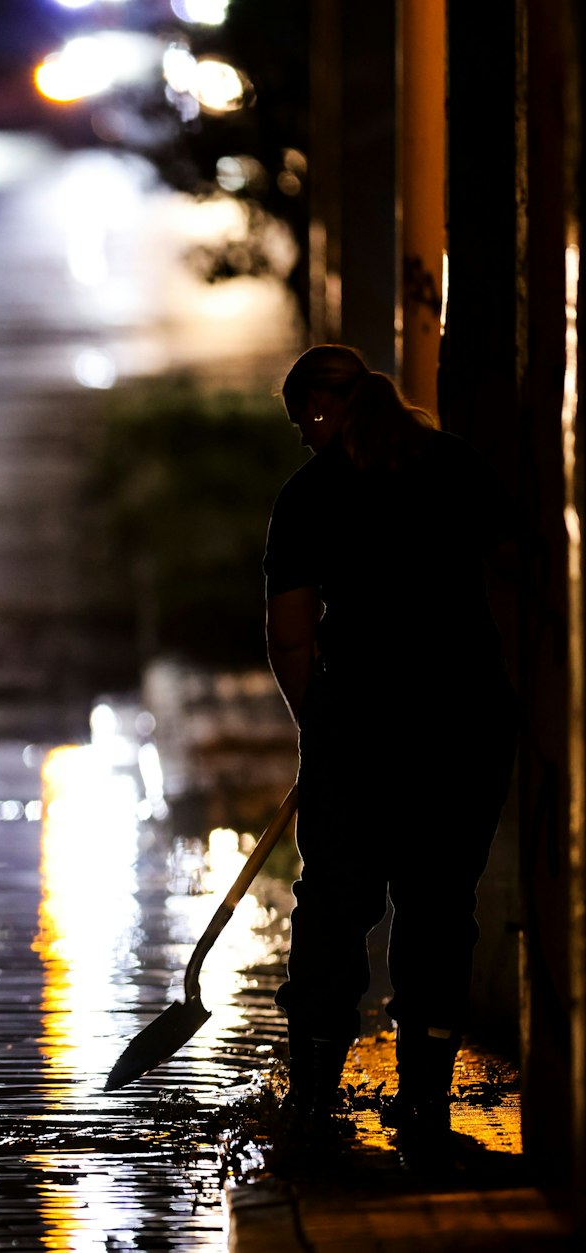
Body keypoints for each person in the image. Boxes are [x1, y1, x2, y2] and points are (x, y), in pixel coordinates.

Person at [262, 345, 516, 1145]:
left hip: (361, 725)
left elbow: (292, 637)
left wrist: (322, 723)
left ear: (316, 409)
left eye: (300, 419)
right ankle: (426, 1104)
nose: (302, 438)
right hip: (467, 720)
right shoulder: (458, 466)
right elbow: (522, 583)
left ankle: (310, 1100)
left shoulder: (310, 495)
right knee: (441, 904)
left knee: (336, 906)